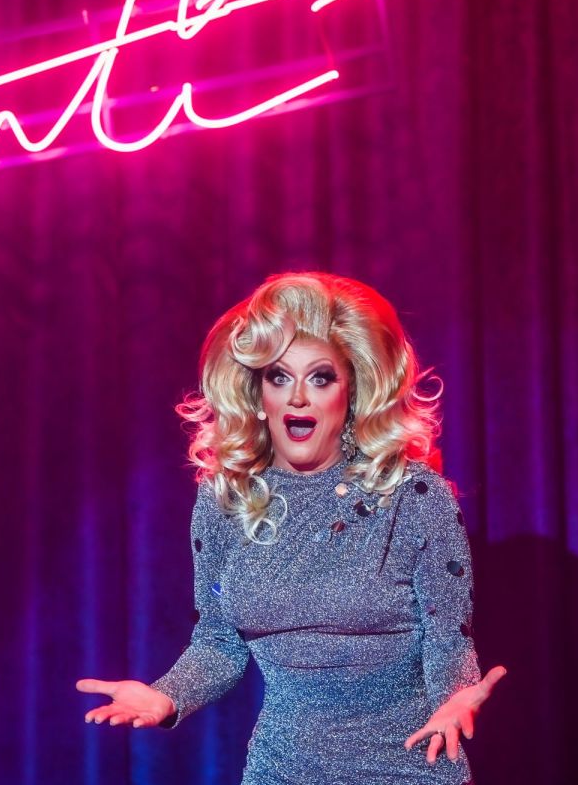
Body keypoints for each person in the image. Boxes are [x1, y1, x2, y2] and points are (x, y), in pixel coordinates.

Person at [77, 272, 506, 784]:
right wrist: (168, 696)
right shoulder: (224, 503)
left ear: (351, 395)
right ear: (259, 396)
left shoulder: (414, 497)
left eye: (321, 377)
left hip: (408, 761)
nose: (299, 397)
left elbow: (447, 639)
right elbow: (219, 642)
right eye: (279, 377)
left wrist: (456, 700)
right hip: (284, 767)